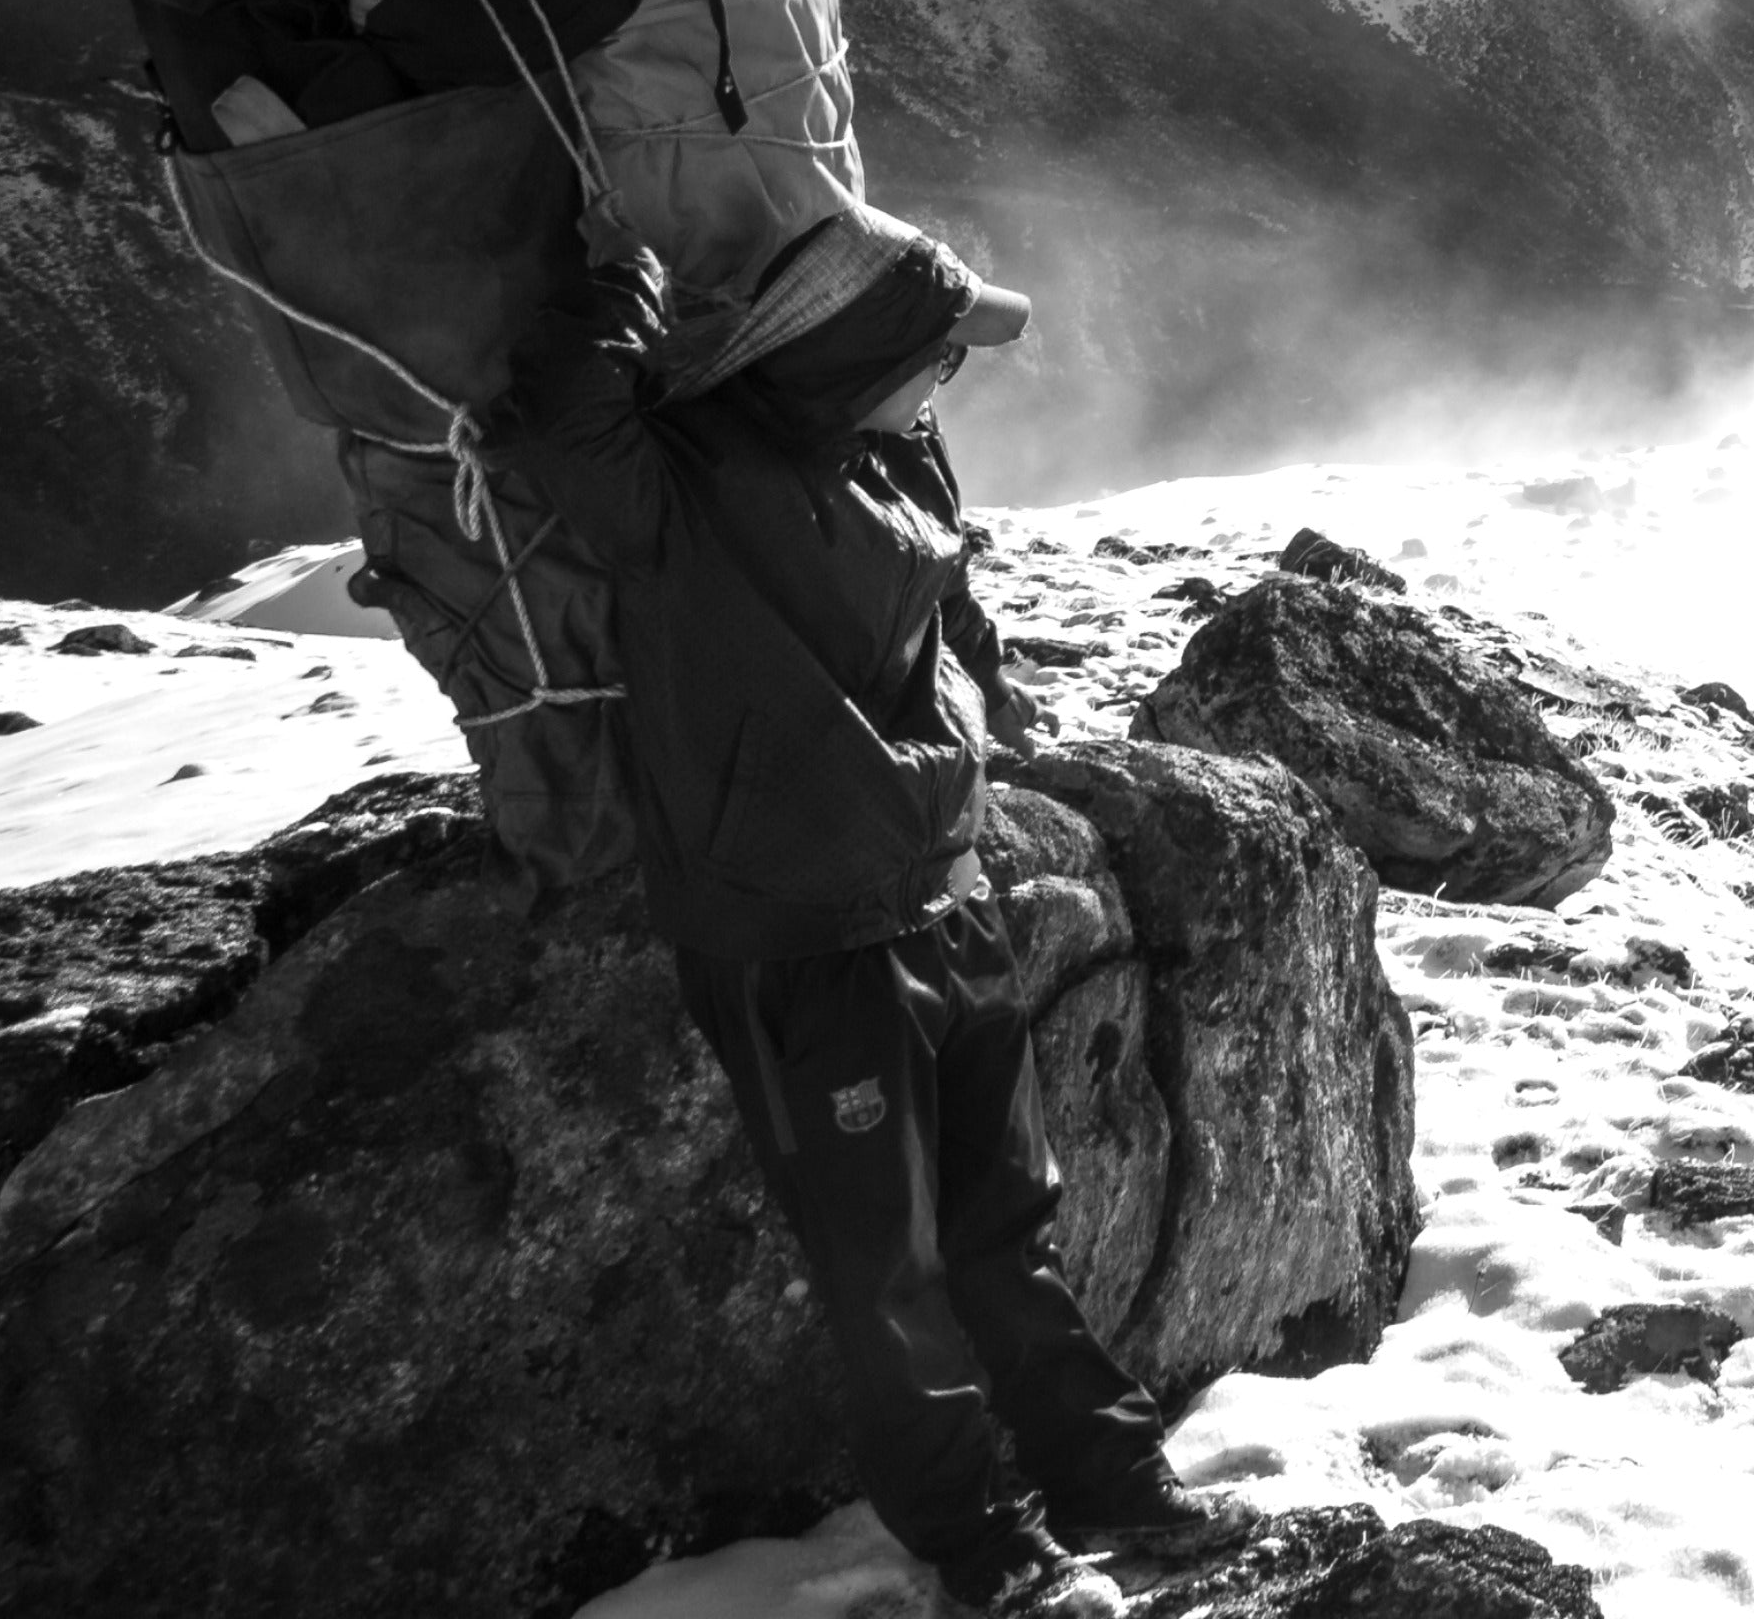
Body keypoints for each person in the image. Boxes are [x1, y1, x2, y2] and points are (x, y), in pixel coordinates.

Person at [494, 204, 1248, 1619]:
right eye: (941, 356)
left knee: (1003, 1224)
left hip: (941, 896)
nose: (954, 385)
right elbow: (556, 424)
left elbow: (950, 616)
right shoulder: (682, 491)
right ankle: (981, 1547)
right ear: (860, 352)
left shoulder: (895, 461)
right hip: (796, 940)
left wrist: (989, 705)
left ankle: (1110, 1480)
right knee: (883, 1272)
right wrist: (625, 272)